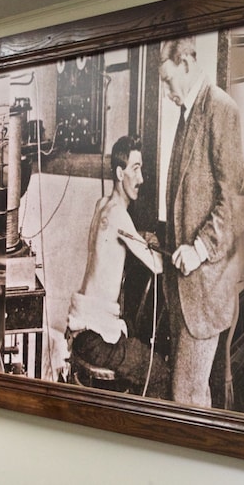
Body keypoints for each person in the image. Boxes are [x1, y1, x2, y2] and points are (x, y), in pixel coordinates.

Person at [160, 36, 244, 407]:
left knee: (186, 394)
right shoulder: (187, 113)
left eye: (168, 81)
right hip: (183, 286)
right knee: (193, 393)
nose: (166, 92)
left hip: (206, 284)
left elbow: (233, 202)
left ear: (187, 64)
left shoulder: (221, 109)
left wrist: (198, 248)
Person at [63, 136, 169, 398]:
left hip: (80, 330)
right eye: (136, 169)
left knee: (135, 350)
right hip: (96, 339)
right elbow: (156, 266)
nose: (141, 178)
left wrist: (141, 235)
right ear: (121, 173)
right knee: (159, 372)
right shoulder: (120, 216)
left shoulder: (102, 206)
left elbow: (114, 237)